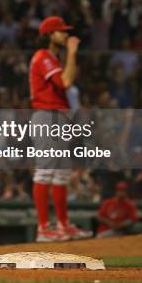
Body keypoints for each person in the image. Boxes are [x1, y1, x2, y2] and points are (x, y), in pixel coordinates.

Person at [28, 16, 92, 242]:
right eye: (61, 31)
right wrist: (73, 53)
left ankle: (63, 225)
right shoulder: (42, 56)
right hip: (47, 116)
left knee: (63, 173)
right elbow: (65, 82)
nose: (65, 35)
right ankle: (44, 228)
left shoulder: (53, 58)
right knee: (45, 171)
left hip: (58, 117)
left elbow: (68, 80)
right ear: (49, 35)